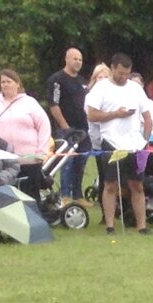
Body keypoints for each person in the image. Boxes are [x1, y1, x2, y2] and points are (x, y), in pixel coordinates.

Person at [85, 53, 151, 234]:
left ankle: (142, 226)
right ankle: (110, 225)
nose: (123, 77)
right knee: (111, 184)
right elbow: (92, 115)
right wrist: (116, 114)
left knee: (137, 185)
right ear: (112, 68)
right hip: (111, 143)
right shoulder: (100, 88)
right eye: (120, 73)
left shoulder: (136, 89)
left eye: (127, 74)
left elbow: (147, 116)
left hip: (136, 145)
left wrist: (145, 141)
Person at [47, 47, 89, 201]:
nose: (78, 62)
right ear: (66, 59)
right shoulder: (57, 80)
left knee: (81, 162)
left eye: (80, 59)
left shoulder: (83, 82)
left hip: (84, 130)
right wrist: (65, 127)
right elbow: (54, 104)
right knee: (67, 162)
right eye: (75, 58)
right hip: (66, 130)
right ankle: (65, 195)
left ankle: (78, 195)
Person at [0, 70, 52, 169]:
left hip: (29, 160)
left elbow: (44, 125)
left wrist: (41, 152)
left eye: (9, 82)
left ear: (18, 84)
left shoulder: (30, 102)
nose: (5, 85)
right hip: (1, 162)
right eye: (3, 82)